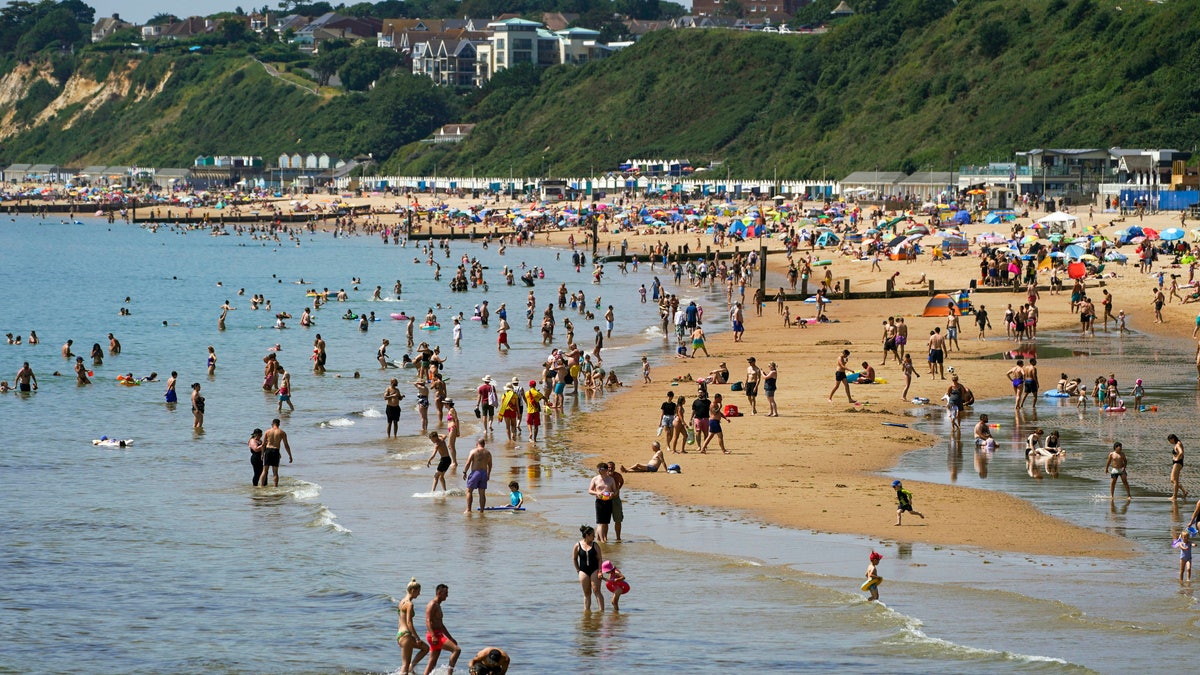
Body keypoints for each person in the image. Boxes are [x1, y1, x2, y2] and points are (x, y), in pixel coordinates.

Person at [423, 584, 461, 675]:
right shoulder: (432, 604)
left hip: (438, 634)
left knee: (432, 663)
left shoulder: (438, 605)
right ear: (439, 593)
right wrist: (433, 636)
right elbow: (428, 621)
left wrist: (450, 638)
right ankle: (449, 673)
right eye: (446, 593)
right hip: (434, 635)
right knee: (457, 650)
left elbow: (441, 625)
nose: (447, 595)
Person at [397, 578, 429, 675]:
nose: (419, 594)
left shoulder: (401, 601)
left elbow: (400, 620)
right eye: (418, 592)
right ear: (413, 591)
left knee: (425, 648)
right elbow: (409, 622)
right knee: (405, 665)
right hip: (406, 635)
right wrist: (417, 637)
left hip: (400, 635)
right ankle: (411, 667)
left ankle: (412, 666)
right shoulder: (409, 604)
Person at [573, 525, 605, 611]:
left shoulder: (595, 545)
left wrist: (600, 571)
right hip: (583, 571)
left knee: (596, 591)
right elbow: (574, 558)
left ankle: (601, 612)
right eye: (592, 535)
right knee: (587, 593)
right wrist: (578, 570)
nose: (594, 537)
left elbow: (600, 559)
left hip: (595, 570)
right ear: (587, 535)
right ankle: (586, 612)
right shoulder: (578, 545)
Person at [260, 418, 294, 487]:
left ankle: (261, 486)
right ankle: (275, 487)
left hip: (268, 450)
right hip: (275, 451)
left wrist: (262, 454)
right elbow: (286, 445)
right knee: (275, 472)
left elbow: (263, 444)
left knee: (264, 471)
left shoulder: (267, 431)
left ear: (272, 424)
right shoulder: (282, 432)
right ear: (279, 424)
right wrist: (290, 455)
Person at [462, 438, 492, 513]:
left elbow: (468, 463)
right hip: (484, 473)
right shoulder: (488, 452)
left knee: (469, 491)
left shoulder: (474, 451)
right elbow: (490, 465)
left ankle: (468, 509)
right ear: (484, 444)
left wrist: (464, 472)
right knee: (482, 493)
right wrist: (488, 474)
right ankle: (482, 511)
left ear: (477, 444)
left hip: (475, 472)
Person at [589, 463, 616, 542]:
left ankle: (602, 538)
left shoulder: (611, 479)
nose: (600, 471)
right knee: (600, 522)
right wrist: (597, 493)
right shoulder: (595, 479)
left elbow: (615, 490)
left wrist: (612, 494)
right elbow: (590, 490)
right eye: (599, 469)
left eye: (602, 469)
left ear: (606, 470)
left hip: (608, 501)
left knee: (606, 522)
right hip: (599, 501)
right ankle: (602, 541)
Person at [607, 461, 625, 541]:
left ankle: (618, 538)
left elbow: (622, 482)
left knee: (618, 520)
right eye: (609, 467)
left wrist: (618, 489)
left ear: (614, 468)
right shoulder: (604, 476)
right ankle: (604, 538)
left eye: (612, 467)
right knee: (605, 521)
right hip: (606, 500)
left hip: (616, 499)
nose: (610, 469)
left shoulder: (617, 475)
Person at [1170, 434, 1189, 502]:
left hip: (1178, 463)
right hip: (1178, 463)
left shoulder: (1178, 444)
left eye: (1170, 441)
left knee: (1173, 479)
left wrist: (1177, 459)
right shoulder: (1178, 443)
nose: (1170, 442)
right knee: (1174, 480)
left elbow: (1181, 452)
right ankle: (1184, 491)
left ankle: (1174, 496)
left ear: (1172, 439)